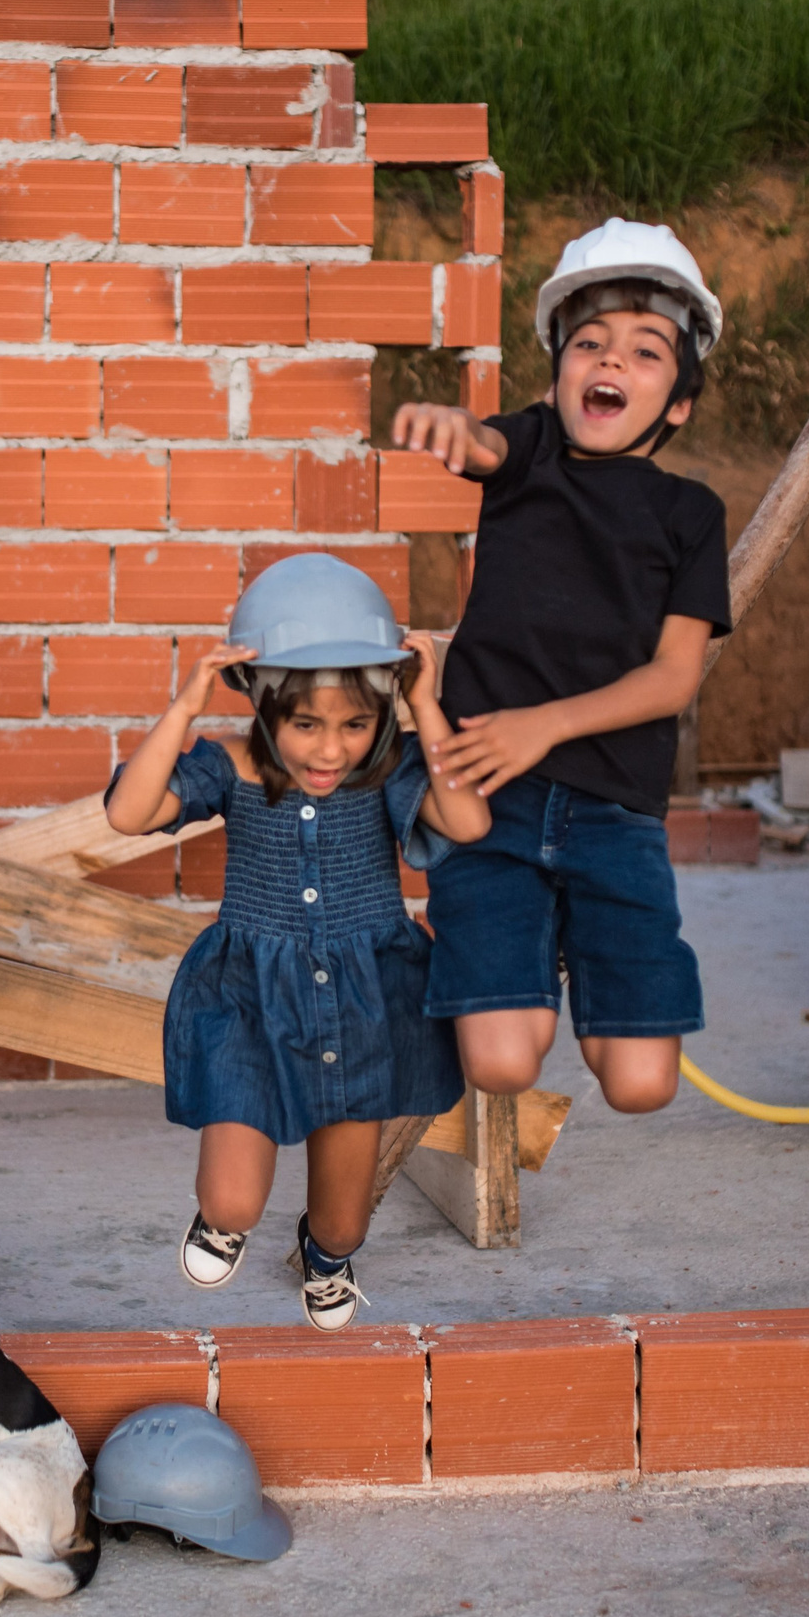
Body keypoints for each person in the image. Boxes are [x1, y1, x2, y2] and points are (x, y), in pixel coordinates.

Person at [388, 218, 733, 1117]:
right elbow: (482, 444)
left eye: (646, 351)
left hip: (613, 814)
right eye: (589, 344)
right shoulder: (533, 449)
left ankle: (570, 933)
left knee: (641, 1084)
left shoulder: (691, 515)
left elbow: (671, 679)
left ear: (681, 401)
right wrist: (450, 427)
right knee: (503, 1064)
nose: (611, 362)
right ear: (559, 371)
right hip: (487, 803)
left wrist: (544, 723)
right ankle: (515, 941)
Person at [104, 554, 490, 1331]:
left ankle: (325, 1254)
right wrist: (183, 708)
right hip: (250, 1002)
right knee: (232, 1199)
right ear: (260, 700)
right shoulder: (231, 766)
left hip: (362, 1008)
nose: (329, 750)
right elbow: (129, 812)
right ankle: (219, 1219)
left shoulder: (391, 769)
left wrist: (426, 703)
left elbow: (469, 821)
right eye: (305, 723)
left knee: (345, 1223)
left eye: (355, 722)